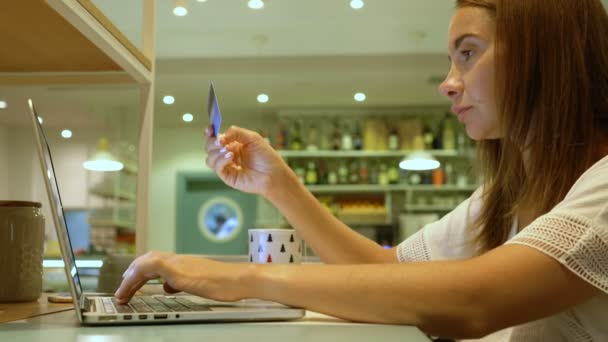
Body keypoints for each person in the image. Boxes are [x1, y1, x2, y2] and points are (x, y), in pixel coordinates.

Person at [115, 0, 608, 339]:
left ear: (542, 53)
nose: (448, 83)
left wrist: (243, 279)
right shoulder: (508, 194)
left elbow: (473, 301)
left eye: (468, 54)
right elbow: (381, 269)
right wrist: (276, 183)